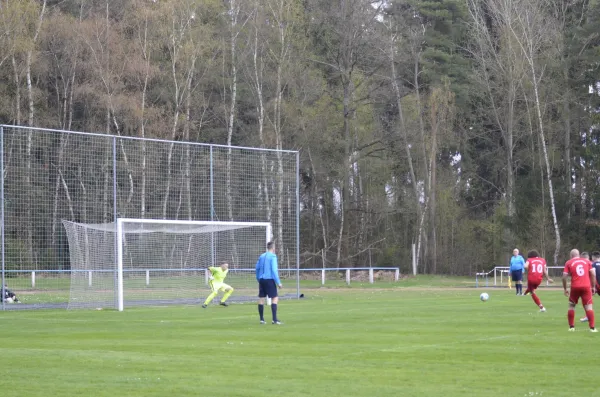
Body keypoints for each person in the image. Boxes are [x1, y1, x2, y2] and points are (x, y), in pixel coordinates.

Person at [562, 249, 597, 332]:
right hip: (586, 286)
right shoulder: (587, 261)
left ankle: (571, 327)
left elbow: (564, 277)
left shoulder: (568, 262)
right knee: (588, 307)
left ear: (571, 256)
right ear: (579, 255)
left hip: (575, 287)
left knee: (571, 305)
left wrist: (565, 288)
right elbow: (593, 274)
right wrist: (593, 286)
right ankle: (592, 328)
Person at [255, 241, 283, 325]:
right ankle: (274, 319)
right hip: (269, 279)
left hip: (261, 279)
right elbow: (274, 270)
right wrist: (278, 282)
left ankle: (262, 319)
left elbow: (257, 268)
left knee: (261, 298)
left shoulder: (261, 256)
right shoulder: (273, 256)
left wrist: (258, 278)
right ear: (273, 248)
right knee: (275, 297)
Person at [581, 251, 600, 322]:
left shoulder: (592, 264)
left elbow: (592, 275)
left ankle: (588, 316)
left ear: (593, 257)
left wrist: (593, 286)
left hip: (596, 286)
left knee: (586, 301)